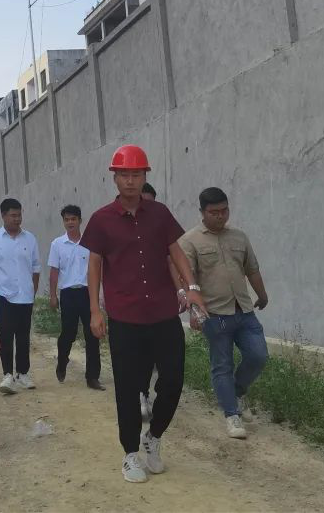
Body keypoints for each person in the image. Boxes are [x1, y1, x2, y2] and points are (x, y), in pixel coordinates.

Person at [80, 144, 207, 484]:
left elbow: (176, 252)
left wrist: (192, 288)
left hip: (163, 313)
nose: (130, 181)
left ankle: (154, 437)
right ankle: (130, 454)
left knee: (173, 380)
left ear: (144, 176)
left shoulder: (160, 214)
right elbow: (94, 266)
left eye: (136, 174)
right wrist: (95, 310)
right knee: (126, 388)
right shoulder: (101, 220)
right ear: (115, 178)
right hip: (125, 317)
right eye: (124, 175)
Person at [179, 187, 269, 439]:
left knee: (258, 355)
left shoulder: (239, 237)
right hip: (214, 314)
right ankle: (231, 415)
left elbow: (252, 269)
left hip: (244, 310)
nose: (220, 216)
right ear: (202, 212)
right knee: (222, 365)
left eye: (224, 210)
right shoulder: (189, 241)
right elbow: (187, 280)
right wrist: (194, 311)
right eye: (214, 212)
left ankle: (237, 392)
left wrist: (262, 295)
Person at [138, 182, 188, 421]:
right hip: (135, 306)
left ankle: (159, 397)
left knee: (167, 360)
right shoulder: (122, 230)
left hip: (162, 305)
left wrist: (181, 290)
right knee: (143, 355)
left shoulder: (161, 228)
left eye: (150, 202)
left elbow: (172, 261)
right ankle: (141, 393)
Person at [0, 198, 41, 395]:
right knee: (6, 334)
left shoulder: (30, 238)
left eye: (19, 215)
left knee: (23, 336)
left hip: (25, 295)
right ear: (3, 216)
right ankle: (7, 374)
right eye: (13, 215)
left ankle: (23, 373)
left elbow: (35, 268)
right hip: (2, 295)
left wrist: (32, 290)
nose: (17, 219)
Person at [47, 205, 104, 390]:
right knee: (68, 333)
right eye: (67, 219)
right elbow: (54, 272)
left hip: (88, 293)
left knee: (92, 334)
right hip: (68, 294)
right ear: (63, 222)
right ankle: (62, 361)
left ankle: (92, 377)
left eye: (73, 219)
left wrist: (101, 294)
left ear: (80, 220)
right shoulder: (57, 244)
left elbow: (98, 268)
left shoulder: (90, 242)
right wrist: (53, 295)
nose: (70, 222)